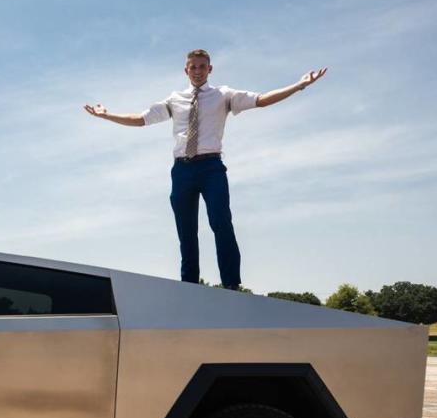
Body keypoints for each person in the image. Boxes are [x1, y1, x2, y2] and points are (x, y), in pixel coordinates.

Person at [84, 49, 326, 290]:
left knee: (221, 221)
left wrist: (298, 86)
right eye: (193, 67)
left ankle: (231, 284)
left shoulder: (223, 95)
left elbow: (261, 100)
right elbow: (140, 119)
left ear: (210, 69)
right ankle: (189, 286)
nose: (197, 71)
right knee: (186, 230)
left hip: (211, 168)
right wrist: (107, 115)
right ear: (186, 70)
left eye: (202, 67)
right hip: (182, 170)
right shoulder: (174, 99)